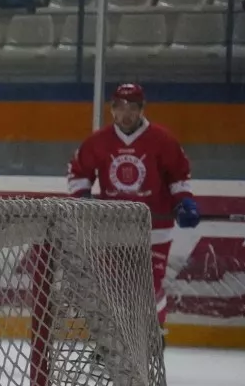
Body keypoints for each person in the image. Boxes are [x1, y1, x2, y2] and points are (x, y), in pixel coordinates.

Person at [68, 84, 200, 326]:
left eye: (132, 108)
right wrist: (83, 197)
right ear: (112, 110)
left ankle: (154, 332)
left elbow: (179, 176)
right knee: (110, 286)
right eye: (120, 108)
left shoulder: (162, 140)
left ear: (142, 109)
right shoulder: (98, 141)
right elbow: (78, 172)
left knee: (149, 285)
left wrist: (184, 201)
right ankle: (110, 339)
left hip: (155, 227)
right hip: (112, 228)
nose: (125, 114)